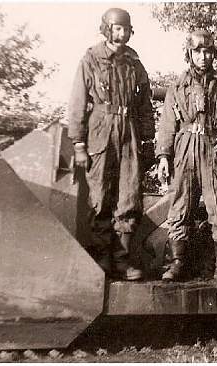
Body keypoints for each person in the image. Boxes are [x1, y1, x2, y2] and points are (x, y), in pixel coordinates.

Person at [68, 8, 155, 280]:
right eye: (117, 28)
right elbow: (78, 102)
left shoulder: (134, 63)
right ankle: (101, 259)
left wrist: (148, 139)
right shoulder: (91, 59)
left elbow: (145, 105)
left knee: (129, 195)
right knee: (100, 196)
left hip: (129, 131)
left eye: (126, 29)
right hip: (100, 130)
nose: (122, 34)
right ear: (106, 29)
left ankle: (122, 260)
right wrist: (79, 144)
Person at [156, 29, 217, 284]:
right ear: (189, 54)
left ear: (214, 54)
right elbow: (166, 125)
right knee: (180, 205)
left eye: (208, 51)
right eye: (198, 52)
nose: (203, 57)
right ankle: (177, 262)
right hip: (185, 147)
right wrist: (163, 156)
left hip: (214, 147)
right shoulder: (177, 86)